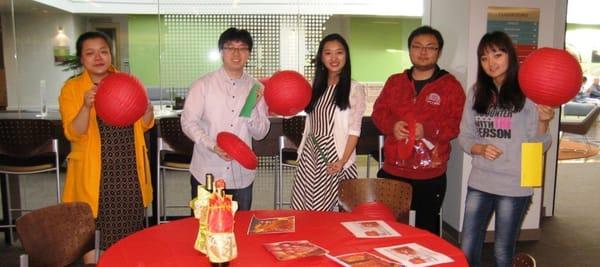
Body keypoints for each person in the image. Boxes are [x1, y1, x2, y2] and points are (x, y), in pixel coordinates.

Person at [458, 31, 554, 267]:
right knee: (467, 248)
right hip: (480, 182)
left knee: (503, 252)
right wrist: (479, 148)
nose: (491, 63)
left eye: (497, 55)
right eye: (484, 58)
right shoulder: (476, 92)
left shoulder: (528, 93)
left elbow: (539, 146)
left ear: (510, 56)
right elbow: (464, 136)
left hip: (514, 185)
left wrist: (544, 122)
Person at [59, 31, 154, 261]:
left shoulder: (127, 82)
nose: (98, 57)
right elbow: (73, 133)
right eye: (90, 53)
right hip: (94, 177)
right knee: (93, 240)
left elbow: (143, 125)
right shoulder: (72, 89)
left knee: (129, 242)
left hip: (128, 173)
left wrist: (147, 112)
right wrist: (85, 106)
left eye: (103, 51)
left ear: (111, 54)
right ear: (82, 59)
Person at [371, 26, 465, 234]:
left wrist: (429, 130)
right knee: (389, 228)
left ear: (439, 51)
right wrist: (392, 126)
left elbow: (456, 124)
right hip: (393, 169)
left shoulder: (450, 86)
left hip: (430, 173)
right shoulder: (395, 82)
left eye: (430, 47)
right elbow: (378, 113)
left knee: (427, 229)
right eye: (417, 47)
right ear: (410, 50)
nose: (423, 52)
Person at [181, 27, 270, 211]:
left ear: (249, 54)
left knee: (240, 229)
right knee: (205, 231)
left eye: (243, 48)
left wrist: (251, 109)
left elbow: (261, 133)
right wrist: (212, 145)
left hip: (242, 174)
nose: (236, 53)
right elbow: (188, 122)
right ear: (221, 52)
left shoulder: (257, 88)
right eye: (230, 47)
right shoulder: (203, 85)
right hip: (207, 171)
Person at [290, 33, 366, 211]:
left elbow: (355, 131)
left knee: (322, 210)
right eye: (328, 53)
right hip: (311, 152)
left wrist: (342, 161)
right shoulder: (315, 86)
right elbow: (300, 114)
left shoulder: (354, 89)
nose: (334, 58)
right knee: (302, 206)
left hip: (335, 155)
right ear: (321, 57)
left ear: (346, 56)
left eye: (339, 53)